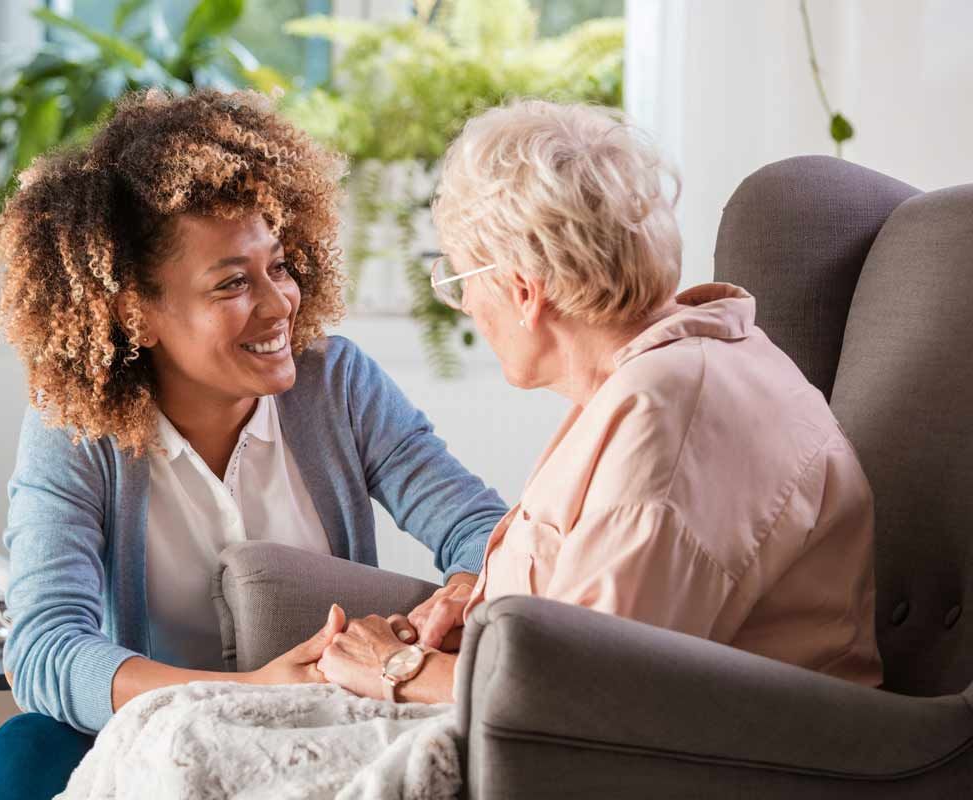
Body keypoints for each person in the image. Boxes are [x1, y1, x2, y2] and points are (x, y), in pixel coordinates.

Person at [0, 90, 507, 800]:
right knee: (21, 758)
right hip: (147, 728)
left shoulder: (336, 385)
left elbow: (481, 530)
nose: (280, 304)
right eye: (233, 283)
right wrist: (243, 690)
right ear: (135, 312)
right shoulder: (75, 425)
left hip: (323, 723)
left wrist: (458, 598)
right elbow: (45, 649)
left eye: (278, 266)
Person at [314, 99, 883, 705]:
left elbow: (587, 696)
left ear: (522, 290)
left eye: (458, 281)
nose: (468, 308)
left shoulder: (668, 417)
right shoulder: (667, 371)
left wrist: (398, 668)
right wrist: (481, 605)